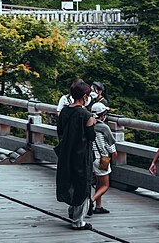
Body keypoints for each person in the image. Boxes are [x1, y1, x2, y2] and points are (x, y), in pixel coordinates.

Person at [56, 79, 96, 230]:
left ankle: (72, 210)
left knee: (69, 180)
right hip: (81, 154)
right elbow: (91, 136)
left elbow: (60, 131)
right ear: (85, 96)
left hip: (66, 152)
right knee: (83, 184)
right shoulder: (86, 115)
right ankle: (79, 220)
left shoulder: (65, 111)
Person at [89, 102, 116, 216]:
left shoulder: (89, 125)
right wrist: (114, 153)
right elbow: (110, 144)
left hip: (91, 156)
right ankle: (91, 201)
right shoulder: (104, 127)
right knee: (105, 185)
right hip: (102, 158)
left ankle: (98, 206)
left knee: (99, 183)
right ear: (102, 115)